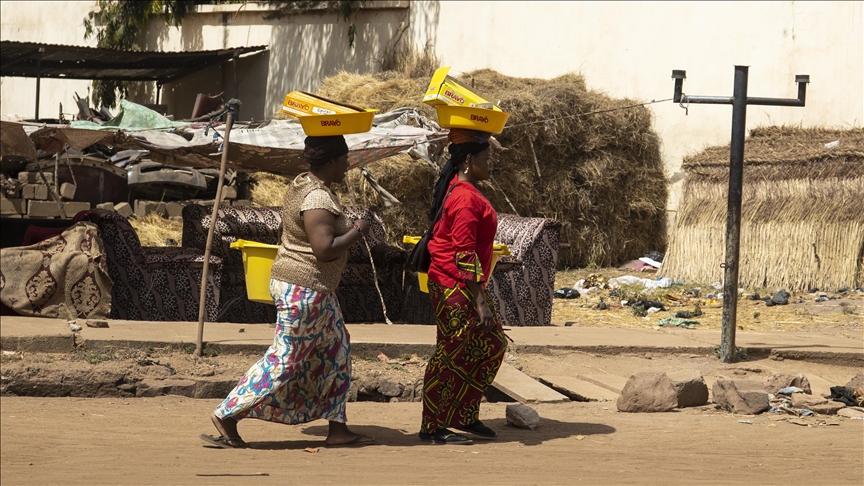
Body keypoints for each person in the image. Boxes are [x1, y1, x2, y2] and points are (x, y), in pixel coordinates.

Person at [201, 135, 375, 448]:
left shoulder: (303, 183)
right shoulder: (317, 198)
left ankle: (337, 428)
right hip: (304, 289)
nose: (348, 166)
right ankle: (227, 414)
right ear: (332, 161)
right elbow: (324, 249)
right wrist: (358, 230)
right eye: (345, 159)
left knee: (337, 351)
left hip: (317, 290)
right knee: (286, 358)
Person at [419, 128, 508, 445]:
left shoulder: (461, 190)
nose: (491, 163)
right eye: (487, 157)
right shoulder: (466, 198)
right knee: (451, 353)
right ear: (469, 161)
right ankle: (432, 425)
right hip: (453, 285)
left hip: (458, 283)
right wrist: (481, 301)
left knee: (492, 344)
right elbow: (464, 254)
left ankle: (463, 414)